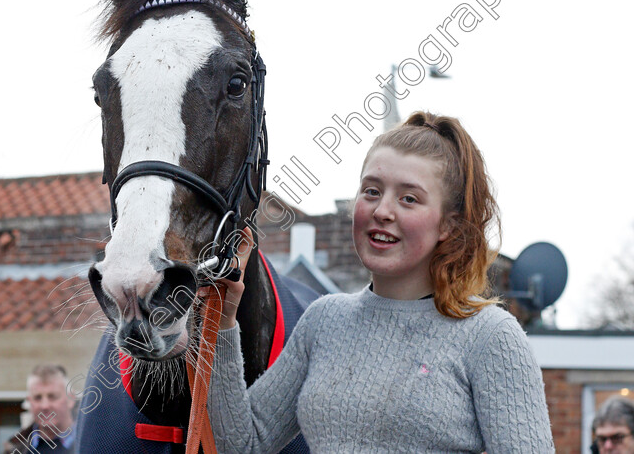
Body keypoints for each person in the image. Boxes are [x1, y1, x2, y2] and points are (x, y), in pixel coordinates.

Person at [206, 111, 554, 452]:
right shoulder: (324, 320)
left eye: (409, 198)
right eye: (372, 191)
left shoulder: (491, 337)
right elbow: (241, 444)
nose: (382, 210)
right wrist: (223, 321)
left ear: (448, 225)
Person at [3, 364, 78, 454]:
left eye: (52, 396)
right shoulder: (14, 449)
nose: (45, 406)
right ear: (29, 401)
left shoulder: (93, 442)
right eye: (38, 398)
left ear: (71, 399)